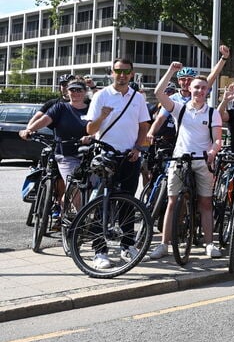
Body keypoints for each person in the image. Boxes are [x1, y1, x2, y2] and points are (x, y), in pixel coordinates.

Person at [148, 62, 224, 260]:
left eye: (203, 87)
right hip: (180, 159)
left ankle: (209, 243)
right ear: (189, 89)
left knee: (206, 203)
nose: (199, 90)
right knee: (172, 202)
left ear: (207, 90)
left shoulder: (212, 112)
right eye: (196, 87)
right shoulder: (179, 109)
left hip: (202, 161)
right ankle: (164, 244)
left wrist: (213, 151)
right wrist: (171, 71)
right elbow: (158, 92)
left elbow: (217, 139)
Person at [85, 58, 152, 270]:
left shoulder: (137, 98)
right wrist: (102, 115)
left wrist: (138, 148)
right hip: (105, 156)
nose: (122, 75)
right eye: (118, 71)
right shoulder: (101, 95)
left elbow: (144, 126)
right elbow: (89, 129)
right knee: (101, 204)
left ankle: (127, 245)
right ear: (111, 73)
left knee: (128, 203)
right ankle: (100, 251)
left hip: (129, 156)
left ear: (132, 74)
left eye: (126, 71)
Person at [20, 79, 91, 215]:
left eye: (79, 90)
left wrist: (91, 137)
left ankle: (69, 209)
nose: (75, 93)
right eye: (72, 90)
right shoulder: (60, 107)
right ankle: (81, 226)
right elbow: (44, 120)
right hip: (66, 155)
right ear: (67, 92)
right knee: (74, 188)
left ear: (85, 92)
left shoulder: (91, 108)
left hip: (87, 155)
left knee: (92, 188)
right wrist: (29, 130)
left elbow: (98, 127)